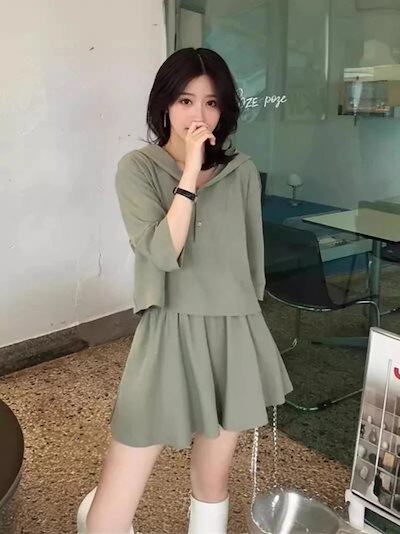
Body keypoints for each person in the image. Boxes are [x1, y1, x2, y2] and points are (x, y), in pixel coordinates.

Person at [76, 47, 293, 534]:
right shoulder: (137, 168)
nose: (199, 114)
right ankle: (93, 516)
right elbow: (162, 251)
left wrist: (250, 321)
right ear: (165, 104)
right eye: (185, 100)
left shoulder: (241, 171)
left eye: (211, 103)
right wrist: (190, 172)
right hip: (170, 327)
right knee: (125, 477)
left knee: (214, 478)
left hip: (233, 327)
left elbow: (251, 258)